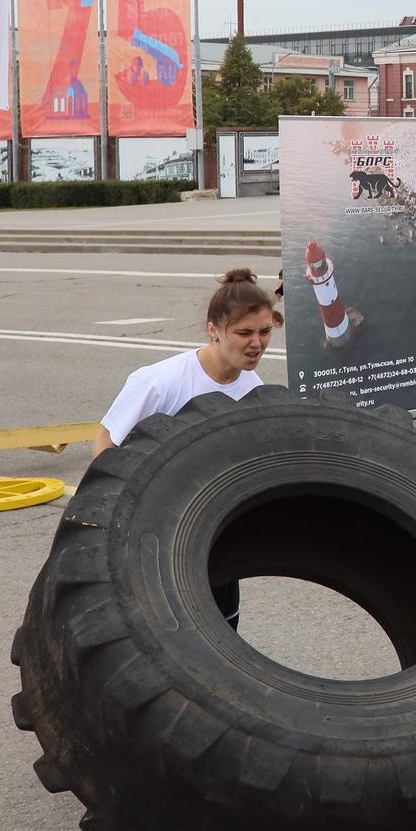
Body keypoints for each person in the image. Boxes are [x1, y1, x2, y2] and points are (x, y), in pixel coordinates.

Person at [91, 267, 278, 624]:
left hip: (216, 536)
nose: (256, 343)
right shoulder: (160, 382)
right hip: (157, 535)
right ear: (213, 330)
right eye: (244, 333)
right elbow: (105, 443)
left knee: (222, 631)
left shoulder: (254, 387)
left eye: (265, 331)